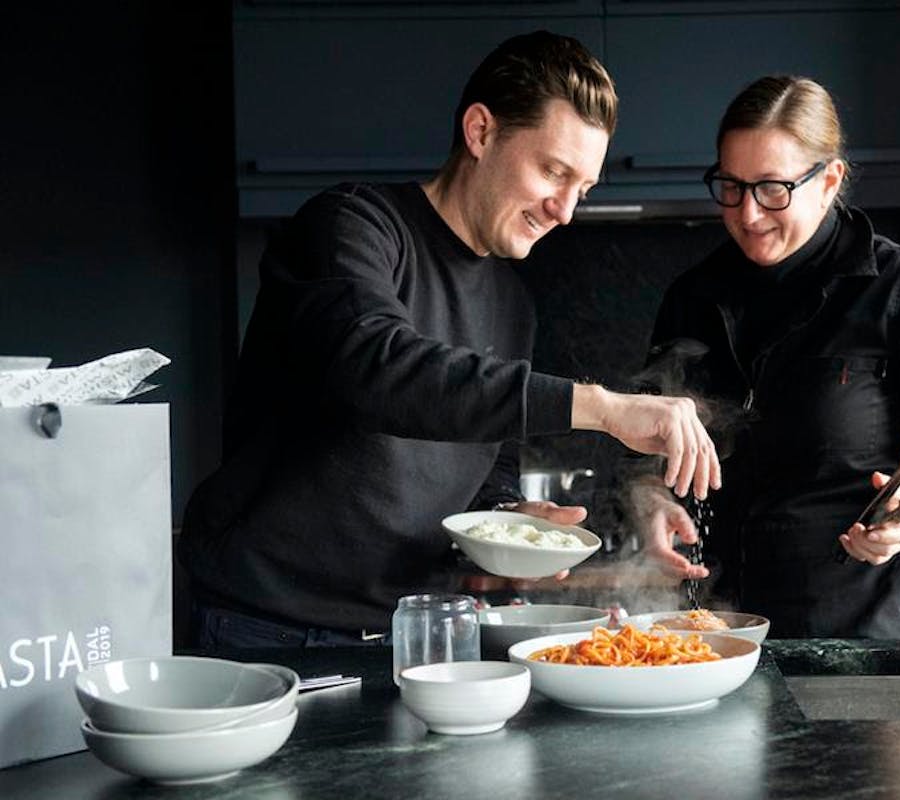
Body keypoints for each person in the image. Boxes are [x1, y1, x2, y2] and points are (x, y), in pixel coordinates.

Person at [179, 31, 720, 650]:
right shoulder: (350, 228)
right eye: (553, 171)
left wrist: (512, 520)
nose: (565, 210)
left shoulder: (512, 303)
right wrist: (602, 407)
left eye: (584, 189)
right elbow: (375, 369)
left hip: (410, 629)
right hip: (263, 625)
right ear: (481, 131)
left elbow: (486, 467)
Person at [632, 75, 900, 638]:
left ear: (829, 180)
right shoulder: (693, 297)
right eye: (731, 187)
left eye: (772, 188)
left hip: (867, 643)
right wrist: (650, 503)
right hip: (721, 633)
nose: (748, 213)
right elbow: (650, 441)